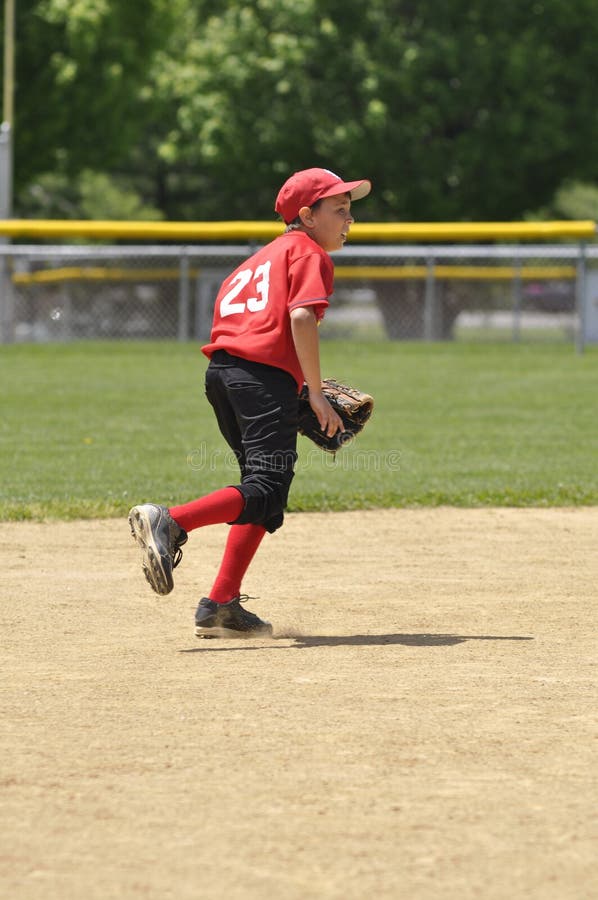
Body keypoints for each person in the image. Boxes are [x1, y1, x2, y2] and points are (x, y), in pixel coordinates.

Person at [128, 167, 371, 638]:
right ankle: (170, 522)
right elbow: (301, 318)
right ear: (307, 215)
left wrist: (292, 387)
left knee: (261, 493)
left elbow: (250, 330)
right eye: (340, 210)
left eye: (350, 211)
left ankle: (221, 605)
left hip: (224, 375)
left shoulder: (258, 260)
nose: (349, 220)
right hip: (260, 379)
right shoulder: (309, 252)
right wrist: (313, 392)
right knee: (266, 487)